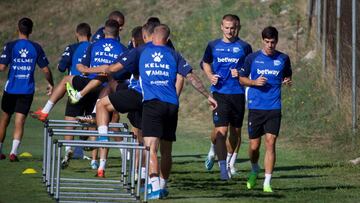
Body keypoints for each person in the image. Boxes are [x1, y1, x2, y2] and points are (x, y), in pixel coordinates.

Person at [82, 24, 217, 199]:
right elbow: (191, 77)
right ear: (167, 40)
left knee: (150, 148)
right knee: (166, 151)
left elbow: (112, 69)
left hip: (153, 104)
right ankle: (163, 185)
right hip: (171, 105)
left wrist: (90, 70)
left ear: (152, 36)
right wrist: (208, 95)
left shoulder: (141, 51)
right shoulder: (174, 54)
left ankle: (154, 188)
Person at [239, 26, 292, 192]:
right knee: (254, 146)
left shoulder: (283, 58)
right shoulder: (252, 58)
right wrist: (254, 83)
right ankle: (255, 169)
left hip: (274, 107)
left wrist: (287, 81)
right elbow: (241, 79)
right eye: (267, 42)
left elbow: (287, 75)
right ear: (262, 41)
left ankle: (267, 182)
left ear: (277, 41)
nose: (270, 45)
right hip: (256, 107)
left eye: (273, 42)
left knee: (271, 142)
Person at [202, 14, 252, 180]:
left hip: (237, 93)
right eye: (227, 28)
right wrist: (210, 75)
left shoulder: (245, 47)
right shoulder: (213, 45)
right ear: (221, 27)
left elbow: (249, 68)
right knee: (220, 130)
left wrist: (241, 73)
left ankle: (228, 160)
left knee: (235, 132)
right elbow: (205, 62)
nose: (230, 31)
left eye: (233, 28)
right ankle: (222, 166)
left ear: (237, 28)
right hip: (219, 93)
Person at [0, 17, 54, 161]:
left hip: (10, 89)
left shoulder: (10, 46)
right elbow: (46, 70)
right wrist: (51, 83)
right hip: (26, 90)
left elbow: (2, 67)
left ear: (18, 29)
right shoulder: (36, 47)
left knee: (4, 119)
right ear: (31, 31)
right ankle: (13, 152)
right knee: (20, 121)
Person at [56, 23, 98, 169]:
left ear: (76, 33)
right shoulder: (95, 47)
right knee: (91, 121)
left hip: (76, 87)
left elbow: (61, 67)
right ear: (90, 34)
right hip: (92, 86)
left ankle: (68, 150)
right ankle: (94, 159)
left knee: (70, 120)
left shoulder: (72, 48)